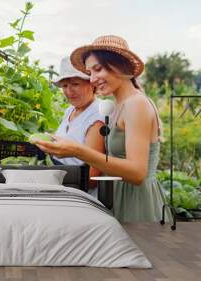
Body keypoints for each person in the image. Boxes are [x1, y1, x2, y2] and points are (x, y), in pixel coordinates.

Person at [35, 35, 171, 222]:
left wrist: (77, 150)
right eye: (90, 72)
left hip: (136, 204)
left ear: (119, 66)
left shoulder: (136, 104)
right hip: (118, 196)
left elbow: (138, 173)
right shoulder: (119, 105)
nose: (92, 79)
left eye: (97, 69)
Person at [52, 57, 105, 193]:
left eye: (75, 84)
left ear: (92, 84)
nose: (69, 91)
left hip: (80, 194)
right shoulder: (70, 110)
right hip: (63, 185)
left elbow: (92, 176)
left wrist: (51, 176)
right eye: (65, 86)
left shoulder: (97, 116)